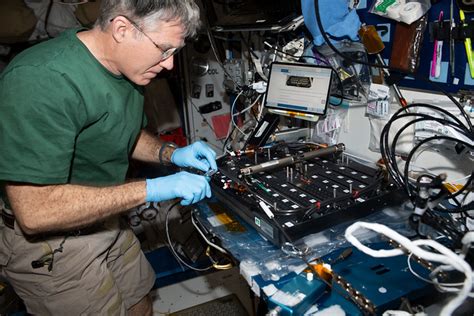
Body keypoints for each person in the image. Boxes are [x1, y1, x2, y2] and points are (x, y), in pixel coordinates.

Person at [0, 0, 216, 315]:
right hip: (54, 245)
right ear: (121, 29)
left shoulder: (122, 65)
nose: (169, 64)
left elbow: (121, 130)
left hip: (105, 217)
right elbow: (35, 213)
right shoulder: (41, 80)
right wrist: (152, 189)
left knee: (139, 300)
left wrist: (171, 154)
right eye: (164, 50)